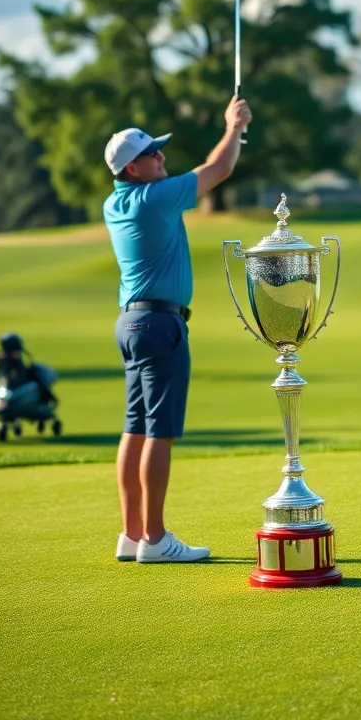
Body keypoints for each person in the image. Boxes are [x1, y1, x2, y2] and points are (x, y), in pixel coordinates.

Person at [104, 95, 251, 564]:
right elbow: (218, 169)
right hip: (159, 323)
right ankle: (154, 538)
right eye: (152, 154)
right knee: (159, 432)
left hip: (131, 322)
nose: (162, 157)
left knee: (135, 428)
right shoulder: (155, 197)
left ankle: (131, 535)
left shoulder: (116, 202)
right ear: (132, 169)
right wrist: (234, 127)